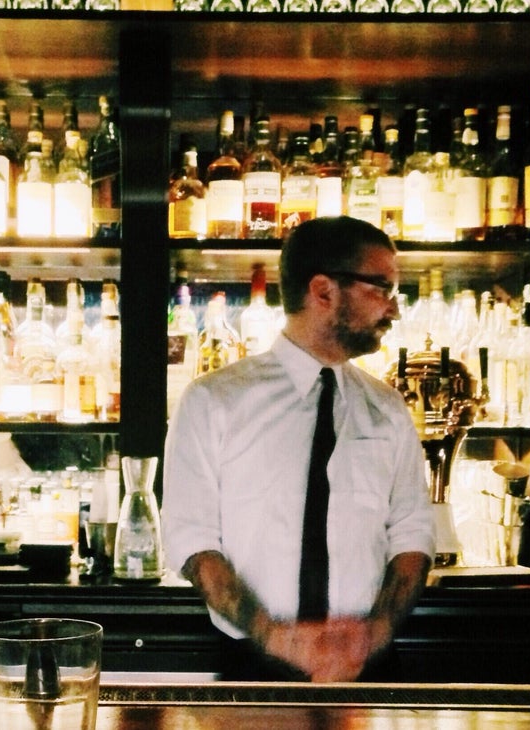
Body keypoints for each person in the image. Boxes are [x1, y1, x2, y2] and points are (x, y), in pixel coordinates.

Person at [162, 216, 433, 683]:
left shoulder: (386, 407)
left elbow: (412, 532)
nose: (393, 311)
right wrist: (279, 638)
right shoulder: (215, 400)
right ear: (324, 291)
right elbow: (192, 539)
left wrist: (376, 633)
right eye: (382, 289)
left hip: (367, 668)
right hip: (252, 666)